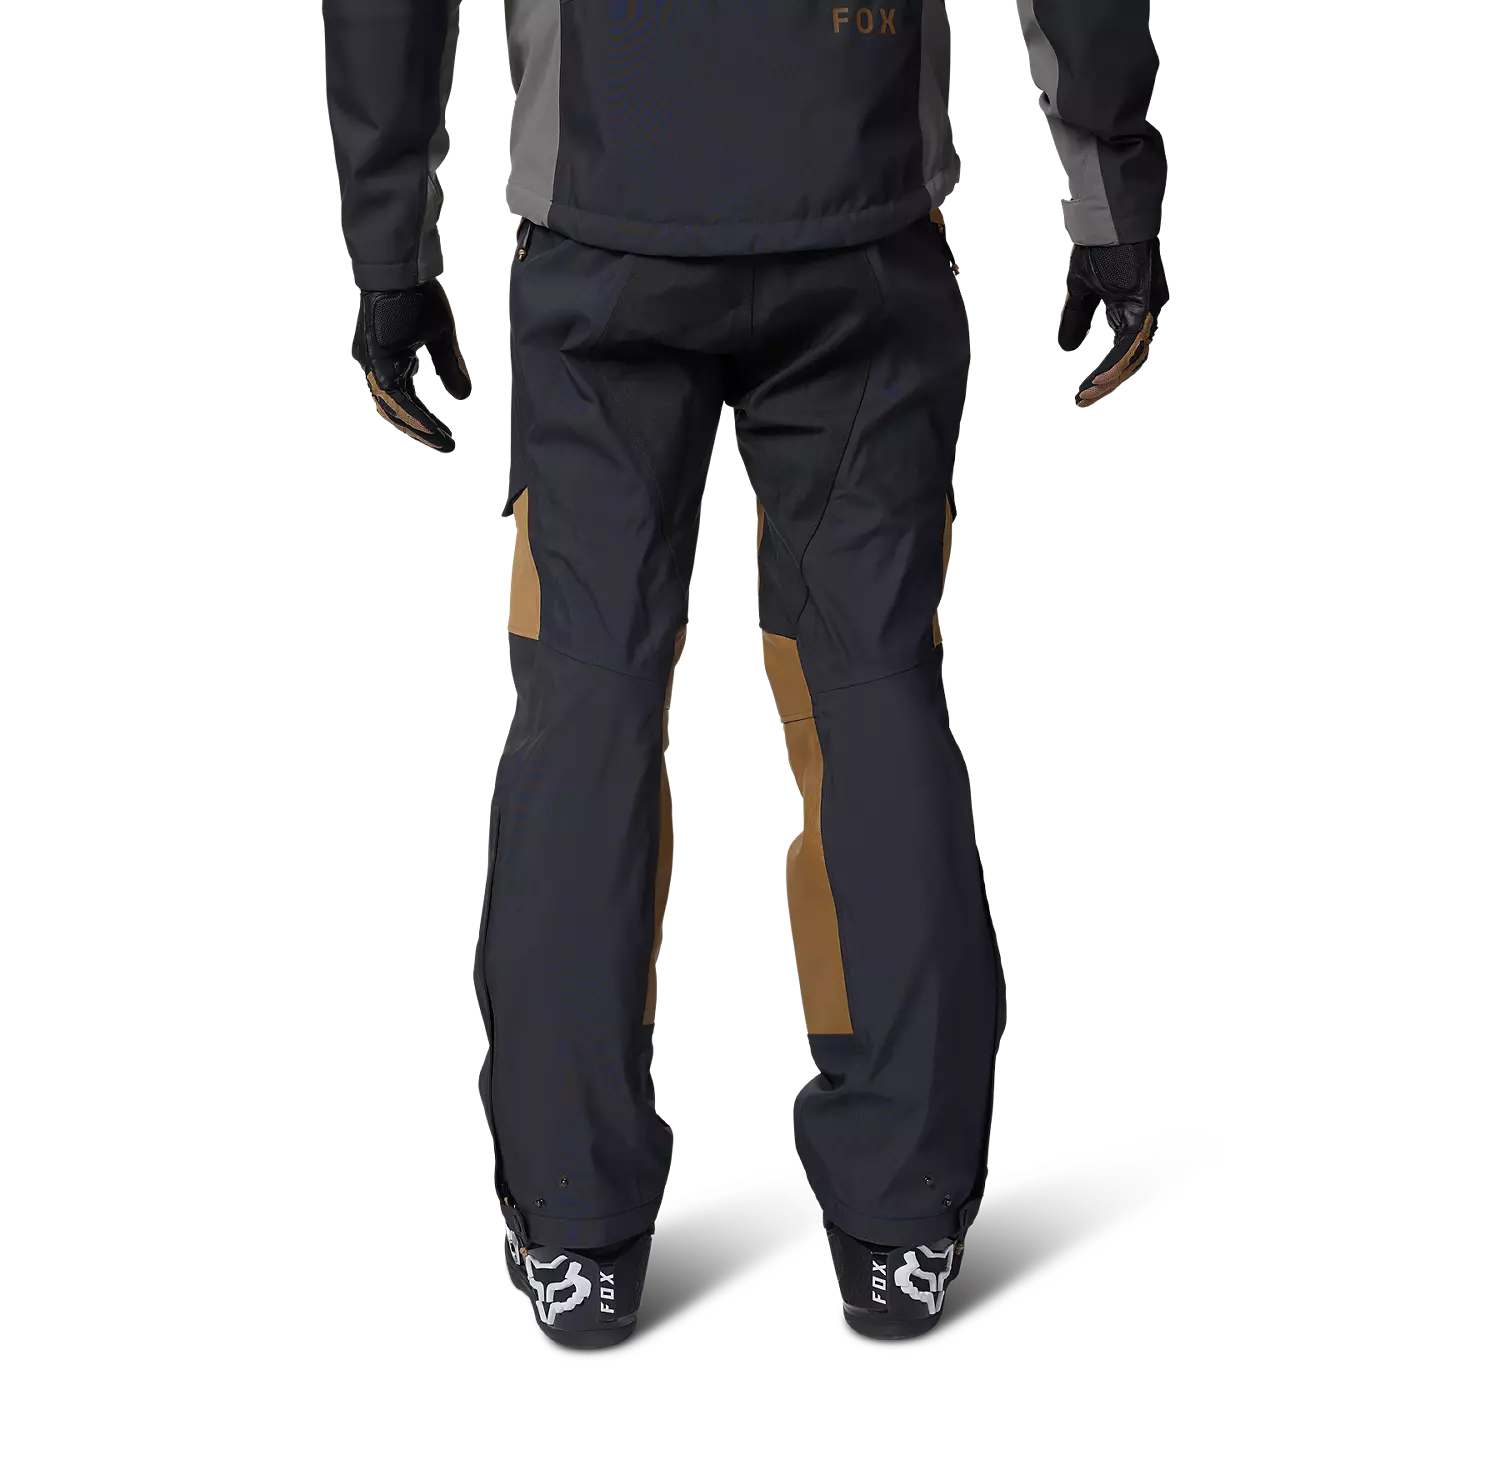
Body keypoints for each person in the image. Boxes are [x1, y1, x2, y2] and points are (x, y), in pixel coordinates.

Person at [322, 0, 1168, 1348]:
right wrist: (1113, 196)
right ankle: (904, 1228)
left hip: (602, 239)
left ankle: (576, 1237)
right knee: (873, 695)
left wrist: (389, 250)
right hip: (861, 234)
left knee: (587, 706)